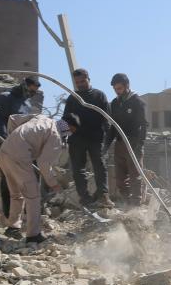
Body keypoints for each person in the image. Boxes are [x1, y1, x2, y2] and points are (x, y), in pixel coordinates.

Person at [0, 113, 76, 244]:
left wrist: (13, 139)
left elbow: (12, 118)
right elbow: (44, 164)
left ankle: (13, 228)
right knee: (33, 196)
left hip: (4, 153)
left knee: (16, 194)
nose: (71, 134)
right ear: (70, 128)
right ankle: (33, 235)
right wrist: (53, 183)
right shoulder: (55, 136)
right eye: (72, 131)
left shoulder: (41, 117)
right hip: (19, 158)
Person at [62, 68, 113, 208]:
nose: (80, 84)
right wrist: (63, 138)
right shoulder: (73, 98)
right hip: (77, 140)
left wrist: (108, 141)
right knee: (78, 169)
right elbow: (64, 120)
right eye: (77, 82)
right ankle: (85, 198)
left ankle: (103, 196)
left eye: (83, 81)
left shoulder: (99, 95)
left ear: (88, 79)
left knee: (100, 166)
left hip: (96, 138)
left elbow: (107, 119)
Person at [0, 77, 44, 217]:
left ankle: (30, 213)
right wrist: (5, 140)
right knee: (9, 179)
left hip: (23, 145)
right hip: (5, 143)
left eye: (34, 93)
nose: (31, 95)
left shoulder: (26, 103)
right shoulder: (4, 98)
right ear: (23, 86)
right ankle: (10, 216)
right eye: (30, 91)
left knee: (32, 175)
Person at [103, 73, 148, 206]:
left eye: (120, 88)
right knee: (120, 180)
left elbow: (144, 125)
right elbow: (113, 127)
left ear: (127, 86)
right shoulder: (115, 104)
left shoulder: (137, 102)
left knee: (135, 176)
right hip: (120, 144)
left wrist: (140, 144)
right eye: (115, 89)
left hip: (133, 143)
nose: (117, 91)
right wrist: (105, 146)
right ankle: (127, 203)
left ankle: (136, 204)